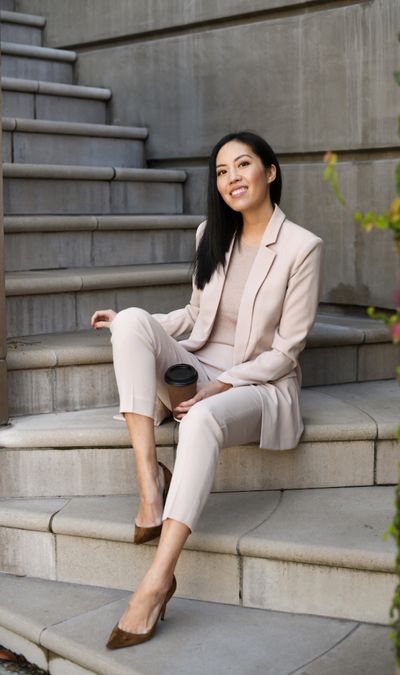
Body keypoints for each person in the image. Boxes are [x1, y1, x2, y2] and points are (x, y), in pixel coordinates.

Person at [90, 131, 323, 650]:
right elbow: (195, 317)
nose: (232, 178)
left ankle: (157, 582)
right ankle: (151, 490)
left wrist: (220, 385)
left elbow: (286, 353)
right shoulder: (209, 234)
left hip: (256, 384)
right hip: (196, 365)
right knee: (129, 321)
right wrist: (135, 322)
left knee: (200, 418)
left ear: (270, 171)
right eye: (221, 171)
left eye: (243, 166)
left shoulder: (302, 248)